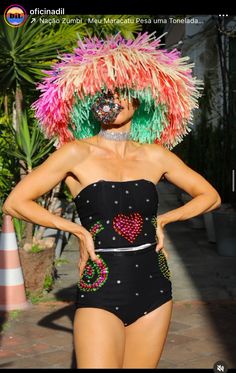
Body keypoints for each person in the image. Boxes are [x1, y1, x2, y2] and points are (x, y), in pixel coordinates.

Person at [2, 32, 221, 368]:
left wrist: (164, 219)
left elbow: (210, 196)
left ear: (139, 99)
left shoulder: (156, 156)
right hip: (100, 289)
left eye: (121, 92)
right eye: (105, 93)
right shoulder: (76, 153)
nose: (112, 99)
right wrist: (76, 230)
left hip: (155, 286)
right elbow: (16, 202)